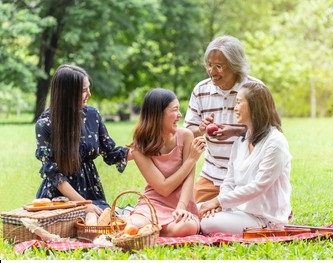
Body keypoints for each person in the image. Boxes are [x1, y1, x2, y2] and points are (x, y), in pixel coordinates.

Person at [35, 64, 130, 215]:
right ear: (67, 93)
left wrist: (140, 149)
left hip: (91, 191)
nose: (89, 94)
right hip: (60, 198)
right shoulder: (45, 124)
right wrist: (83, 205)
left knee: (104, 222)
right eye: (84, 90)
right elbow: (53, 174)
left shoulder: (92, 115)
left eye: (88, 88)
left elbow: (110, 154)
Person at [199, 82, 292, 234]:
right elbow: (229, 180)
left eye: (238, 102)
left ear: (254, 107)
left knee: (208, 222)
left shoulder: (275, 142)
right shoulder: (241, 141)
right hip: (237, 211)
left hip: (263, 218)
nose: (235, 108)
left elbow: (258, 186)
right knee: (195, 209)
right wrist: (220, 204)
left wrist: (218, 201)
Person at [184, 35, 263, 203]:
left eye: (219, 66)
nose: (212, 71)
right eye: (209, 65)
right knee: (191, 217)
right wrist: (200, 129)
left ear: (235, 66)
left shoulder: (255, 90)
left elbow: (270, 131)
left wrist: (234, 131)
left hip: (248, 175)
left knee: (246, 223)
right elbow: (187, 132)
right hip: (213, 174)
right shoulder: (201, 90)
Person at [124, 88, 206, 237]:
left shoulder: (186, 136)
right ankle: (155, 229)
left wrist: (181, 207)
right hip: (153, 204)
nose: (180, 115)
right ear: (158, 114)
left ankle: (154, 231)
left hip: (181, 204)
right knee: (133, 225)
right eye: (175, 110)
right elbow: (163, 188)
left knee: (187, 227)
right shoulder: (140, 147)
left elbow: (189, 179)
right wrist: (191, 160)